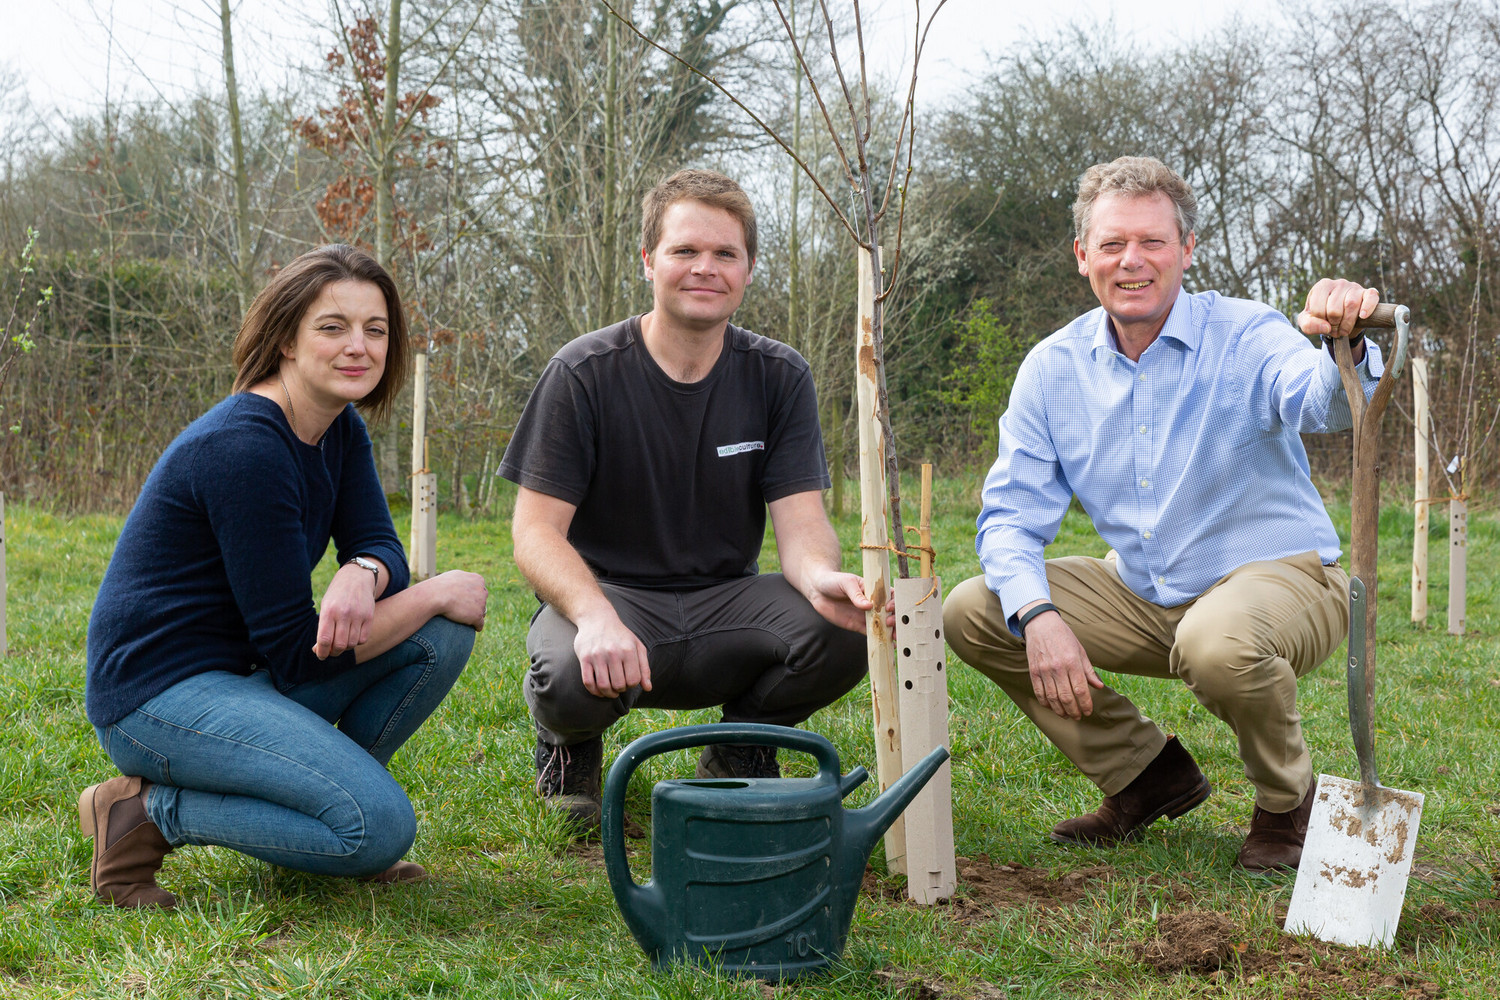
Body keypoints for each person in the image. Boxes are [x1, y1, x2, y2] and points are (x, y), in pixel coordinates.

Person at [942, 156, 1383, 872]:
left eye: (1152, 242)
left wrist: (1342, 341)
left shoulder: (1244, 334)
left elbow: (1320, 400)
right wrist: (1040, 615)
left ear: (1188, 250)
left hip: (1285, 580)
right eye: (1112, 244)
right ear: (1083, 255)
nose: (1132, 261)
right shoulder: (1053, 369)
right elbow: (1011, 517)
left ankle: (1286, 804)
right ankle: (1146, 776)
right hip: (1147, 593)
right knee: (977, 610)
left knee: (1218, 641)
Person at [81, 244, 488, 908]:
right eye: (332, 327)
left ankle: (316, 811)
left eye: (375, 329)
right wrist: (433, 588)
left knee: (439, 632)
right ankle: (150, 812)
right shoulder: (244, 449)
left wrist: (363, 570)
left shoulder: (337, 427)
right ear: (287, 342)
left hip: (245, 676)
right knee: (380, 828)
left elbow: (380, 542)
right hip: (156, 699)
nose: (358, 346)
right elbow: (301, 656)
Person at [499, 169, 870, 827]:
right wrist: (593, 615)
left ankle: (740, 749)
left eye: (725, 254)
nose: (706, 268)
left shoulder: (778, 375)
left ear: (749, 268)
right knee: (563, 668)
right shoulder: (582, 373)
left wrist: (822, 580)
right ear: (649, 261)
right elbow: (534, 533)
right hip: (613, 598)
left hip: (727, 602)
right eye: (685, 251)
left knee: (841, 630)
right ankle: (569, 754)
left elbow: (802, 523)